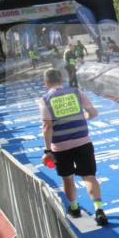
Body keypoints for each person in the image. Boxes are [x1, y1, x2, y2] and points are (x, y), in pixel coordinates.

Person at [39, 68, 107, 225]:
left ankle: (75, 208)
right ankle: (99, 209)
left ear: (46, 83)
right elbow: (93, 112)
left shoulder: (45, 99)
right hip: (83, 141)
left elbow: (47, 126)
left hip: (60, 147)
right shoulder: (76, 92)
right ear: (61, 80)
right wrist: (84, 117)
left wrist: (47, 151)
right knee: (89, 176)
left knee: (67, 178)